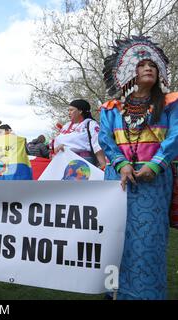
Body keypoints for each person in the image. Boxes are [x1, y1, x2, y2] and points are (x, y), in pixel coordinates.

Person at [99, 36, 178, 300]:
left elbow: (175, 136)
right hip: (117, 179)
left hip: (153, 180)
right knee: (113, 239)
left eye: (153, 65)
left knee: (148, 241)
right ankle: (112, 292)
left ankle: (147, 295)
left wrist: (156, 164)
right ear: (127, 72)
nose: (149, 68)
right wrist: (121, 165)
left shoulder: (170, 105)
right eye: (142, 64)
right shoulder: (111, 109)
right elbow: (105, 140)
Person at [52, 100, 106, 168]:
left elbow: (97, 146)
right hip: (63, 161)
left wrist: (103, 166)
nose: (69, 113)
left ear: (80, 111)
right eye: (68, 110)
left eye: (71, 110)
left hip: (81, 163)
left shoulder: (90, 124)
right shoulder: (66, 126)